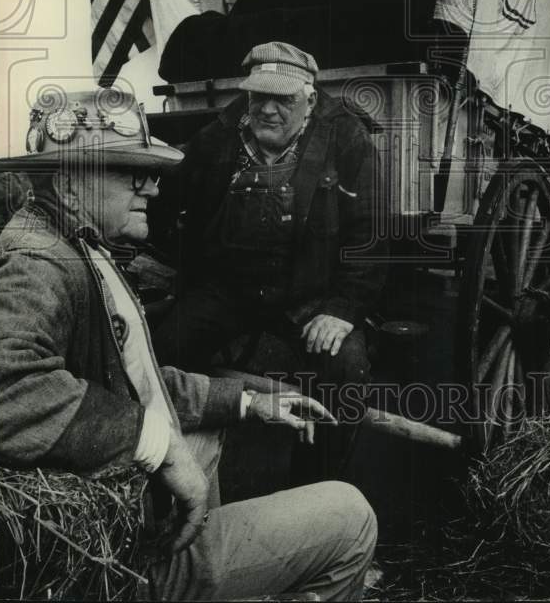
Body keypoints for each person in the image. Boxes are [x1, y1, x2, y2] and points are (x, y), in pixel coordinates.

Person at [0, 88, 377, 601]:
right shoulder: (38, 265)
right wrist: (161, 447)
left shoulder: (76, 244)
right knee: (351, 516)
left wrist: (245, 401)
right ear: (68, 180)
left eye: (152, 172)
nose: (152, 187)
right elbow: (1, 391)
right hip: (121, 568)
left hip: (123, 527)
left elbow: (129, 377)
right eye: (131, 171)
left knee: (208, 435)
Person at [153, 42, 386, 474]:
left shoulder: (347, 140)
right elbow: (164, 204)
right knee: (163, 348)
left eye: (284, 99)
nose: (268, 110)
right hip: (229, 292)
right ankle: (172, 471)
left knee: (344, 366)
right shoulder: (217, 139)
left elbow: (370, 235)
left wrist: (341, 309)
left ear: (310, 99)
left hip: (308, 296)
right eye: (260, 97)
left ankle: (317, 487)